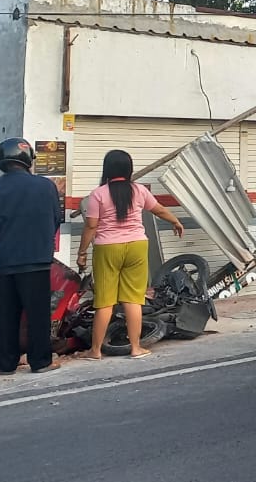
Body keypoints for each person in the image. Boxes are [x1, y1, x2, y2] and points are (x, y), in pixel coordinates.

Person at [74, 150, 184, 360]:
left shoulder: (98, 194)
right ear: (129, 168)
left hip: (107, 248)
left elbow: (90, 226)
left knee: (105, 301)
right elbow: (159, 209)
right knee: (133, 299)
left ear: (107, 169)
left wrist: (82, 253)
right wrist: (175, 221)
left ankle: (95, 351)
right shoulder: (139, 190)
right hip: (136, 246)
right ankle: (136, 348)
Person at [0, 138, 63, 375]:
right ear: (27, 159)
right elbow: (55, 219)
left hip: (4, 261)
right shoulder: (45, 186)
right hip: (35, 259)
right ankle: (40, 361)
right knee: (37, 314)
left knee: (6, 314)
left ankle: (5, 363)